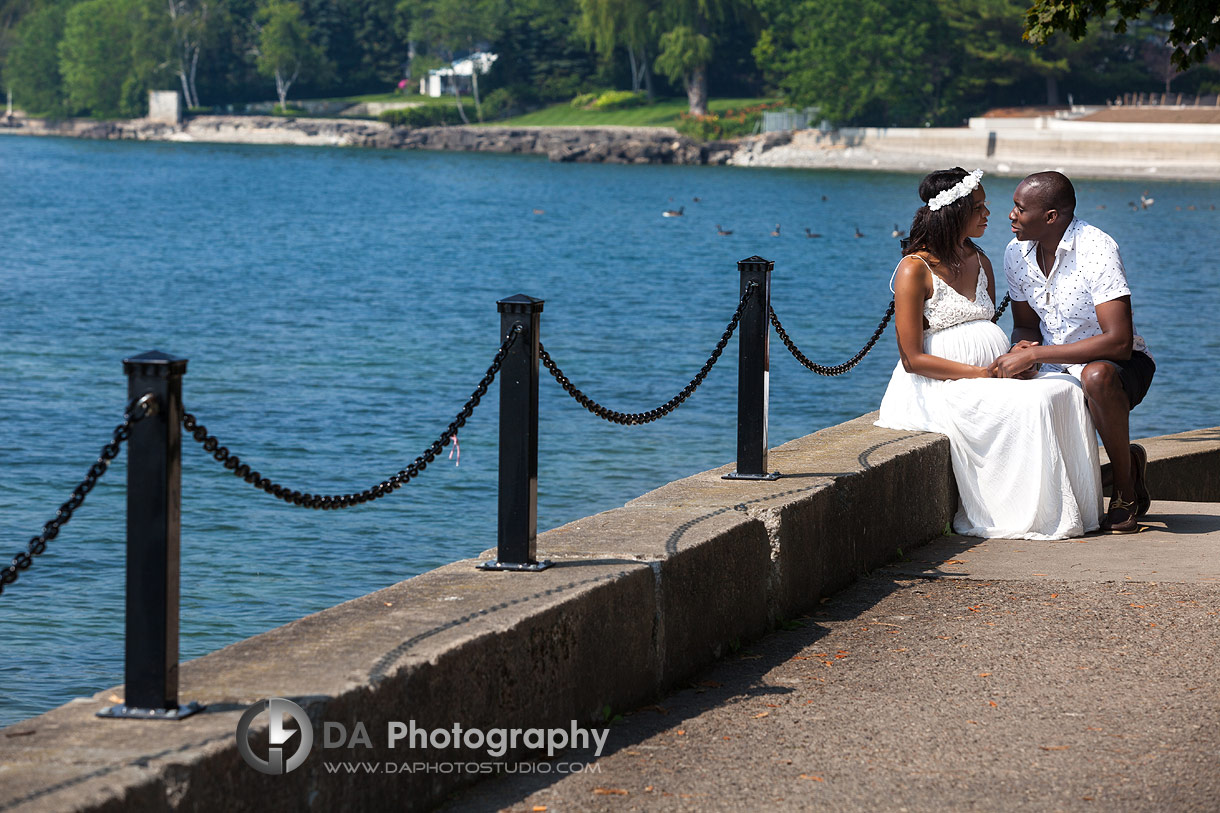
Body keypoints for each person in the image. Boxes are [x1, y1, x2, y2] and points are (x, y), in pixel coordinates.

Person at [876, 167, 1103, 540]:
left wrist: (1019, 351)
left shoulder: (979, 259)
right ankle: (1026, 514)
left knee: (1066, 390)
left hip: (993, 372)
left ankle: (1073, 508)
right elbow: (912, 359)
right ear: (955, 211)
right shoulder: (913, 270)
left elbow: (999, 322)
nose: (989, 214)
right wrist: (982, 374)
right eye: (978, 207)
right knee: (1032, 406)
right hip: (942, 384)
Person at [991, 171, 1154, 534]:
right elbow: (1026, 325)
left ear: (1051, 217)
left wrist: (1037, 356)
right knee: (1008, 390)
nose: (1011, 215)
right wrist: (1023, 347)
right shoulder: (1016, 252)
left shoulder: (1097, 248)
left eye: (1020, 208)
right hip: (1054, 362)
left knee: (1096, 376)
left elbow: (1119, 342)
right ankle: (1090, 481)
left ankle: (1125, 491)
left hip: (1120, 366)